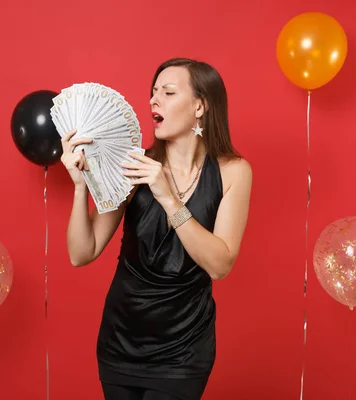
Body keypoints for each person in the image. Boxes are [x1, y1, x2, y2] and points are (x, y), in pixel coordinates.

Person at [60, 58, 252, 400]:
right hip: (120, 340)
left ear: (200, 106)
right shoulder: (132, 165)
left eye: (168, 92)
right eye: (153, 92)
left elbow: (220, 265)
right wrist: (79, 186)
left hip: (184, 348)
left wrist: (169, 199)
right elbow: (81, 253)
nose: (153, 100)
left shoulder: (233, 171)